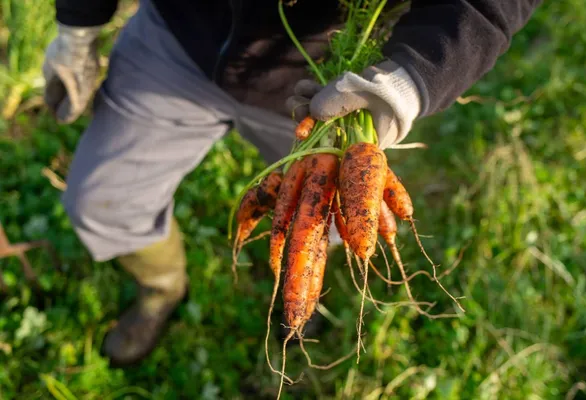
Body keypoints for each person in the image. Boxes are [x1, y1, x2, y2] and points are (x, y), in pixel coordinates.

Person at [42, 0, 541, 366]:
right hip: (180, 38)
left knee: (325, 219)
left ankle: (299, 296)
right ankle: (160, 290)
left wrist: (412, 79)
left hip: (327, 85)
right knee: (99, 201)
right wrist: (78, 26)